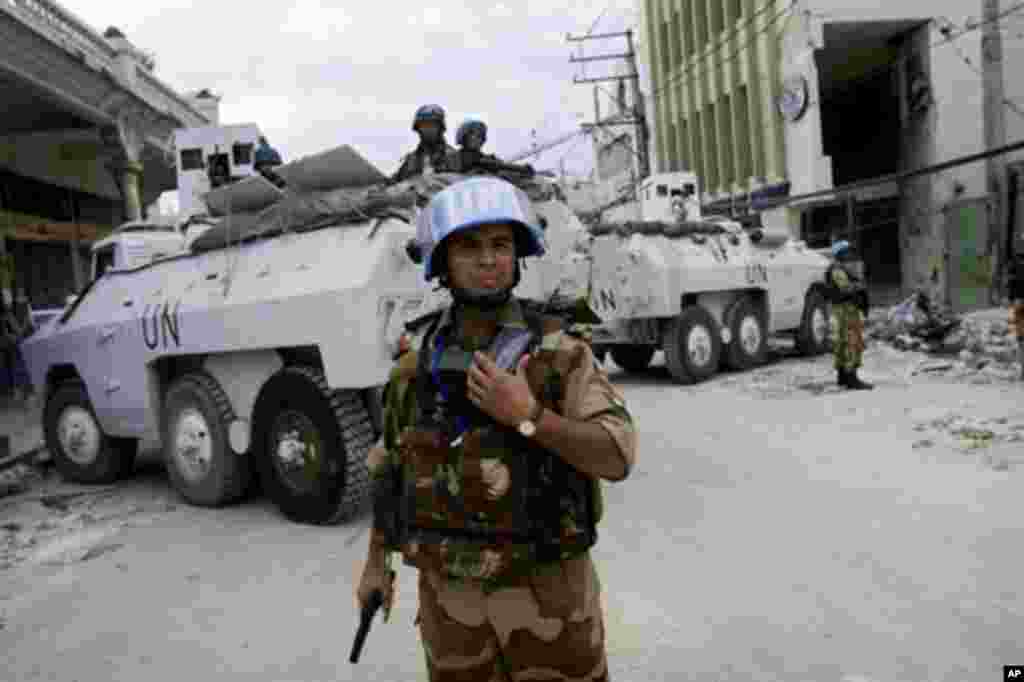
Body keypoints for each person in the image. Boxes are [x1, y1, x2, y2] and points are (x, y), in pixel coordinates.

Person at [357, 176, 637, 681]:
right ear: (441, 262)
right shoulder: (414, 366)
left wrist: (530, 417)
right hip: (453, 614)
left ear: (518, 254)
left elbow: (617, 455)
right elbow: (391, 468)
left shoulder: (559, 355)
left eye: (501, 244)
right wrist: (377, 564)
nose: (488, 260)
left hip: (550, 607)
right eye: (469, 246)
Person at [825, 240, 873, 390]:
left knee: (844, 343)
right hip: (846, 310)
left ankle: (843, 377)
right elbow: (846, 289)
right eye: (847, 252)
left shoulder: (840, 268)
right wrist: (860, 286)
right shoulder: (837, 270)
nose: (850, 255)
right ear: (840, 254)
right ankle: (851, 378)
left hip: (846, 309)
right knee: (851, 343)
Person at [389, 105, 457, 184]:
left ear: (440, 128)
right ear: (418, 129)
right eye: (424, 125)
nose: (428, 129)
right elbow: (393, 184)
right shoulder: (410, 160)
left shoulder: (453, 156)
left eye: (432, 125)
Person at [447, 119, 534, 177]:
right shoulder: (452, 158)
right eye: (474, 134)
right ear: (465, 136)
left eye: (481, 136)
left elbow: (504, 172)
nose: (478, 139)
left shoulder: (490, 160)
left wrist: (521, 171)